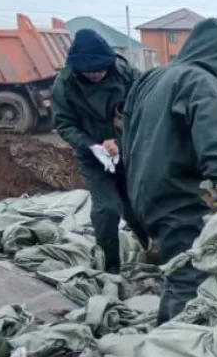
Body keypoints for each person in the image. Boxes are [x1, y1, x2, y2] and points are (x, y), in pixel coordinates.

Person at [122, 17, 217, 322]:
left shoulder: (152, 78)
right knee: (190, 276)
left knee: (177, 271)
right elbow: (213, 135)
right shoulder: (200, 81)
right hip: (177, 195)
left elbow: (127, 130)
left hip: (144, 191)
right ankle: (177, 354)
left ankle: (165, 336)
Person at [52, 28, 149, 274]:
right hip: (93, 157)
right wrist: (91, 146)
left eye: (100, 69)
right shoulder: (65, 84)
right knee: (106, 209)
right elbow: (65, 124)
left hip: (128, 152)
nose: (96, 74)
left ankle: (152, 249)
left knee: (136, 206)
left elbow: (146, 111)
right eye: (89, 71)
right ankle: (110, 267)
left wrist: (121, 142)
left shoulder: (126, 74)